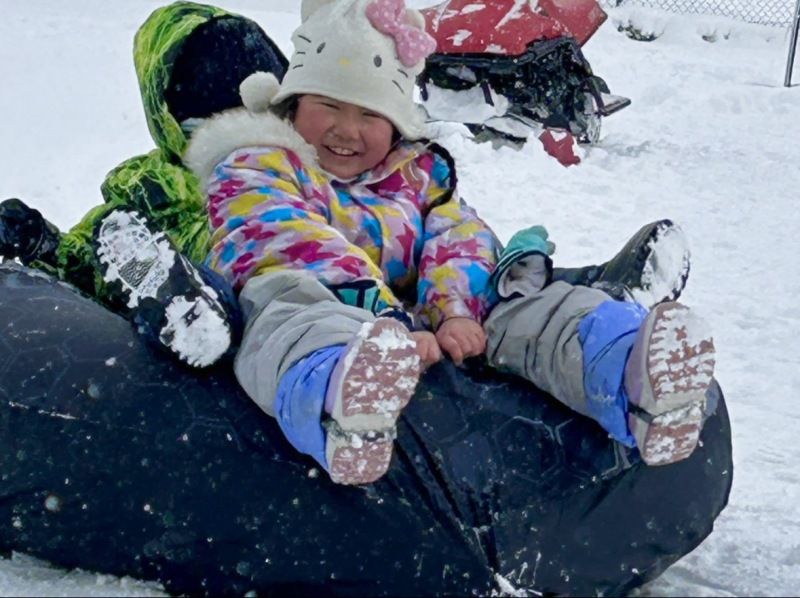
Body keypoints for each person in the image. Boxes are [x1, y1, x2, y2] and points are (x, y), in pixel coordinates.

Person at [171, 0, 715, 486]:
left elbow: (458, 235)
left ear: (398, 126)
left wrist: (456, 308)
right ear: (292, 105)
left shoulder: (415, 175)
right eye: (328, 106)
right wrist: (389, 320)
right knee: (287, 308)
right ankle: (340, 402)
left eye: (369, 114)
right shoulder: (257, 162)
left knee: (527, 302)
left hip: (419, 319)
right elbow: (281, 238)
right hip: (332, 312)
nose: (347, 129)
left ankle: (628, 371)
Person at [0, 1, 289, 367]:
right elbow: (91, 261)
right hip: (208, 343)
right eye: (212, 117)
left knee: (243, 258)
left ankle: (195, 304)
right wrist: (43, 245)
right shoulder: (146, 190)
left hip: (276, 292)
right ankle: (182, 305)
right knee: (126, 240)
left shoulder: (299, 167)